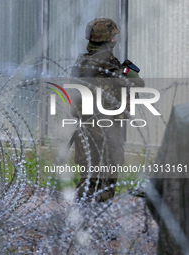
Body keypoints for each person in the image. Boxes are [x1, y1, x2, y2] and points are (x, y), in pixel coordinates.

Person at [70, 18, 145, 202]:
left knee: (87, 180)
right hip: (106, 127)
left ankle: (83, 217)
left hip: (85, 127)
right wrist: (128, 72)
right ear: (109, 39)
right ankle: (99, 221)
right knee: (106, 183)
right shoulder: (109, 66)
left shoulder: (82, 63)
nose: (115, 40)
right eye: (113, 36)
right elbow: (137, 84)